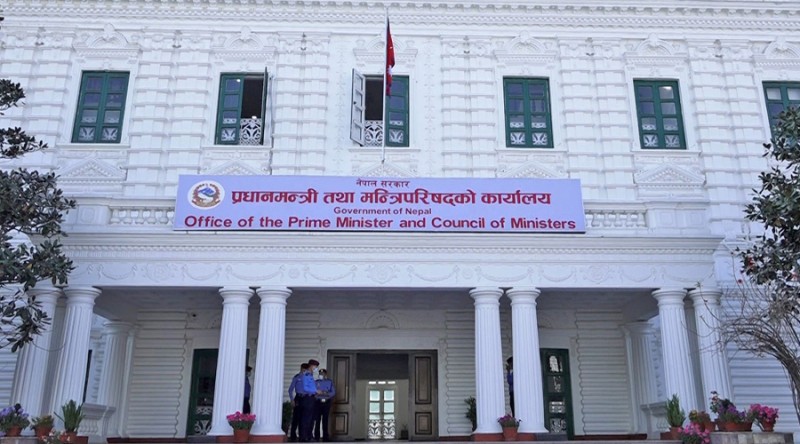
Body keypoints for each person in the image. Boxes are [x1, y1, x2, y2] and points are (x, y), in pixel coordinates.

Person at [298, 359, 320, 442]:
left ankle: (308, 436)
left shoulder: (310, 375)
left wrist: (316, 391)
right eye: (315, 366)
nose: (316, 368)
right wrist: (315, 391)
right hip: (307, 398)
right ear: (311, 366)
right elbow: (305, 388)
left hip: (311, 398)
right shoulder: (306, 375)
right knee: (306, 418)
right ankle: (304, 437)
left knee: (310, 418)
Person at [288, 363, 310, 442]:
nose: (304, 370)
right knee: (296, 418)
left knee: (304, 418)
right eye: (303, 368)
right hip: (298, 398)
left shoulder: (309, 378)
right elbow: (290, 389)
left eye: (305, 369)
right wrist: (292, 399)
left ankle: (302, 437)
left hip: (306, 398)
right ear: (301, 368)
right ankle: (293, 436)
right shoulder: (297, 377)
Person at [313, 369, 336, 442]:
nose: (321, 375)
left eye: (322, 374)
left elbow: (333, 392)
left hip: (326, 402)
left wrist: (326, 394)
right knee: (317, 420)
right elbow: (313, 392)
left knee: (325, 420)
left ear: (325, 374)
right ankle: (316, 437)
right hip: (318, 402)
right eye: (320, 373)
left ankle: (325, 437)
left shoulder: (329, 382)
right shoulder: (316, 382)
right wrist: (318, 394)